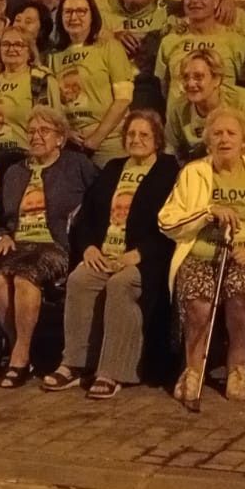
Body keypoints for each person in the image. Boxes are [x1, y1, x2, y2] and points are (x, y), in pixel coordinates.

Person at [158, 107, 245, 406]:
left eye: (231, 133)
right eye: (217, 133)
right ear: (208, 141)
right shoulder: (193, 173)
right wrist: (207, 213)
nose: (224, 139)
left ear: (244, 141)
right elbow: (167, 221)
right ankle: (193, 368)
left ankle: (237, 367)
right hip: (202, 252)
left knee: (240, 292)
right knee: (198, 300)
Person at [46, 109, 181, 398]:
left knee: (121, 284)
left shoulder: (169, 172)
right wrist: (89, 247)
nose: (136, 139)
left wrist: (139, 254)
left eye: (144, 134)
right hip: (105, 253)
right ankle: (76, 363)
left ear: (157, 140)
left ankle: (114, 371)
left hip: (146, 260)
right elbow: (86, 217)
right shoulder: (112, 168)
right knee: (80, 279)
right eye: (131, 134)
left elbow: (171, 226)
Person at [0, 106, 98, 387]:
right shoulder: (14, 172)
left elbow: (99, 201)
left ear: (60, 138)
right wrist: (2, 235)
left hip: (56, 245)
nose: (36, 136)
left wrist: (87, 238)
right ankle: (20, 348)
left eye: (44, 131)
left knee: (24, 277)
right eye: (32, 131)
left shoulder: (76, 165)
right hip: (18, 242)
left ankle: (20, 357)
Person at [51, 0, 135, 162]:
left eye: (81, 11)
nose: (74, 17)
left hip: (109, 141)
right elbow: (53, 104)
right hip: (71, 144)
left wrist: (96, 139)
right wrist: (66, 132)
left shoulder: (110, 47)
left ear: (92, 16)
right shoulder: (54, 57)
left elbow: (123, 99)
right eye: (68, 12)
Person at [0, 25, 55, 181]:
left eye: (18, 44)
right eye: (6, 44)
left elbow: (55, 124)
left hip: (25, 161)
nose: (11, 49)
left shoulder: (40, 79)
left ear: (30, 51)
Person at [155, 0, 245, 106]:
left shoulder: (236, 41)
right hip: (179, 117)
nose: (195, 0)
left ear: (216, 1)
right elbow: (163, 87)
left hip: (221, 116)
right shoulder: (169, 41)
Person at [167, 49, 245, 162]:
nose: (190, 84)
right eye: (186, 77)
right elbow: (175, 154)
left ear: (216, 79)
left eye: (198, 77)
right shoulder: (178, 110)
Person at [103, 0, 174, 108]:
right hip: (112, 87)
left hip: (150, 89)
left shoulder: (166, 11)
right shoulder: (105, 14)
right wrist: (112, 37)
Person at [8, 0, 53, 66]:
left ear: (42, 28)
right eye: (18, 20)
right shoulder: (3, 50)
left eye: (28, 22)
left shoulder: (52, 55)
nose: (21, 25)